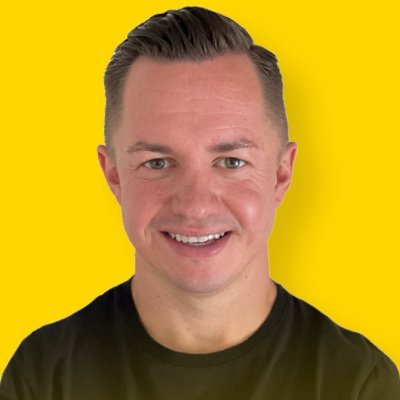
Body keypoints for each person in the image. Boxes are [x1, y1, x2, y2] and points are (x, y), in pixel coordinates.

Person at [0, 6, 399, 400]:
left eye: (231, 162)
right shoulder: (43, 376)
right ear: (114, 175)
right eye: (157, 163)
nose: (196, 206)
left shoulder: (358, 384)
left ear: (281, 174)